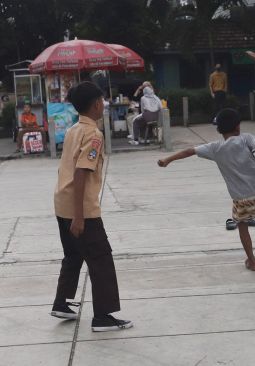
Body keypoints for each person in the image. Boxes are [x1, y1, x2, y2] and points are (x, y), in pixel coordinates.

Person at [157, 108, 255, 271]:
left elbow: (189, 151)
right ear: (238, 127)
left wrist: (167, 159)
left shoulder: (214, 148)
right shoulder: (246, 139)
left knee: (242, 225)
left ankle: (252, 261)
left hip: (242, 196)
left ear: (219, 129)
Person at [51, 82, 132, 332]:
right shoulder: (93, 135)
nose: (104, 104)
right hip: (81, 208)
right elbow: (81, 173)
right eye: (102, 100)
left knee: (73, 254)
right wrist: (79, 216)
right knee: (101, 258)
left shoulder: (74, 129)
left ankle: (62, 303)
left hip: (61, 202)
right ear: (97, 104)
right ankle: (103, 316)